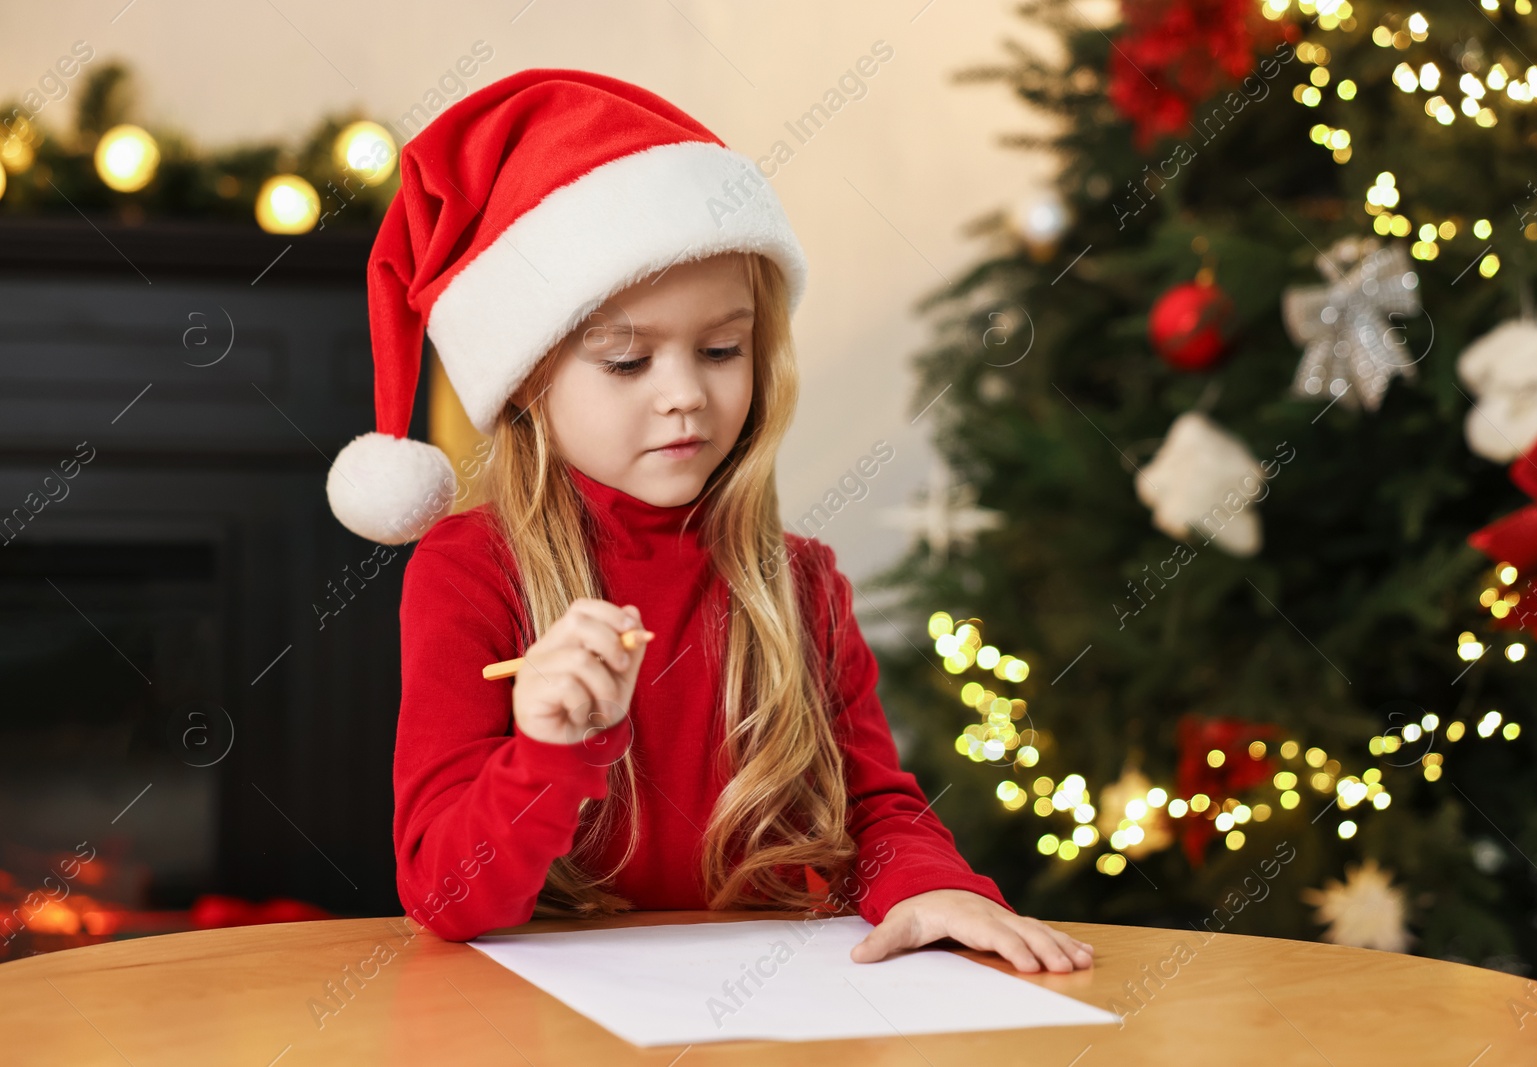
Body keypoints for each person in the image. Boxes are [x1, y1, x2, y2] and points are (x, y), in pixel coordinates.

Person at [324, 68, 1093, 974]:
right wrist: (548, 753)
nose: (686, 395)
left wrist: (932, 883)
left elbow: (873, 808)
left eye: (722, 349)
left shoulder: (799, 581)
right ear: (528, 381)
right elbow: (446, 898)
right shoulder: (470, 568)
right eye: (626, 360)